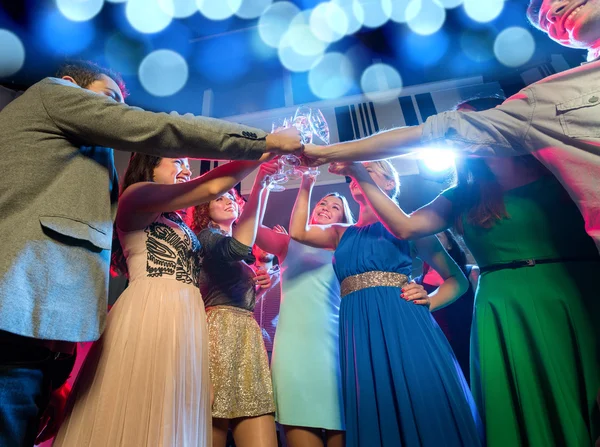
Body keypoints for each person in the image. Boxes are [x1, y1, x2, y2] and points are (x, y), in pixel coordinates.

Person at [0, 60, 301, 446]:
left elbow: (230, 244)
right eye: (110, 98)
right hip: (142, 313)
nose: (116, 112)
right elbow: (184, 158)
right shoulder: (133, 191)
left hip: (162, 322)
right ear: (70, 84)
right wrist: (264, 146)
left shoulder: (174, 219)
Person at [327, 97, 600, 446]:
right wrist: (358, 171)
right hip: (499, 305)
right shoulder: (462, 194)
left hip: (571, 294)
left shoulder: (558, 167)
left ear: (501, 120)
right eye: (455, 130)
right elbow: (406, 227)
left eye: (468, 124)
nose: (460, 135)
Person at [303, 0, 600, 253]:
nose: (551, 12)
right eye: (546, 20)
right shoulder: (544, 101)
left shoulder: (550, 173)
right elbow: (433, 135)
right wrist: (334, 156)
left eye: (473, 121)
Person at [53, 154, 270, 445]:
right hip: (151, 310)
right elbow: (208, 189)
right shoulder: (135, 197)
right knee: (138, 405)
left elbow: (239, 244)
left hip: (187, 318)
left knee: (173, 415)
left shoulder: (181, 223)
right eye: (177, 162)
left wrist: (262, 183)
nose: (186, 170)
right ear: (149, 167)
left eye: (187, 165)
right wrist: (261, 155)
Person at [292, 159, 481, 447]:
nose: (356, 174)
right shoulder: (341, 233)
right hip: (358, 332)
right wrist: (306, 181)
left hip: (404, 324)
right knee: (373, 404)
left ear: (390, 183)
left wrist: (429, 300)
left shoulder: (412, 227)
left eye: (368, 170)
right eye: (356, 172)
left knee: (419, 402)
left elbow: (457, 280)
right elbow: (298, 232)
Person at [250, 160, 354, 447]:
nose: (325, 207)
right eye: (323, 202)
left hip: (337, 351)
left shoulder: (347, 247)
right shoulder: (287, 243)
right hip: (294, 352)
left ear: (345, 219)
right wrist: (266, 184)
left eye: (334, 206)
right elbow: (251, 228)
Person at [190, 171, 277, 447]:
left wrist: (257, 288)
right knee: (213, 430)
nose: (229, 200)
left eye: (232, 197)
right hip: (219, 334)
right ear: (205, 210)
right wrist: (261, 183)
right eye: (220, 198)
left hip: (247, 336)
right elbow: (234, 250)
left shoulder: (243, 255)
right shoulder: (206, 236)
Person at [416, 230, 477, 382]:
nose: (431, 240)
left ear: (450, 244)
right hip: (436, 348)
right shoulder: (416, 284)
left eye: (438, 236)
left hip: (469, 344)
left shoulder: (471, 273)